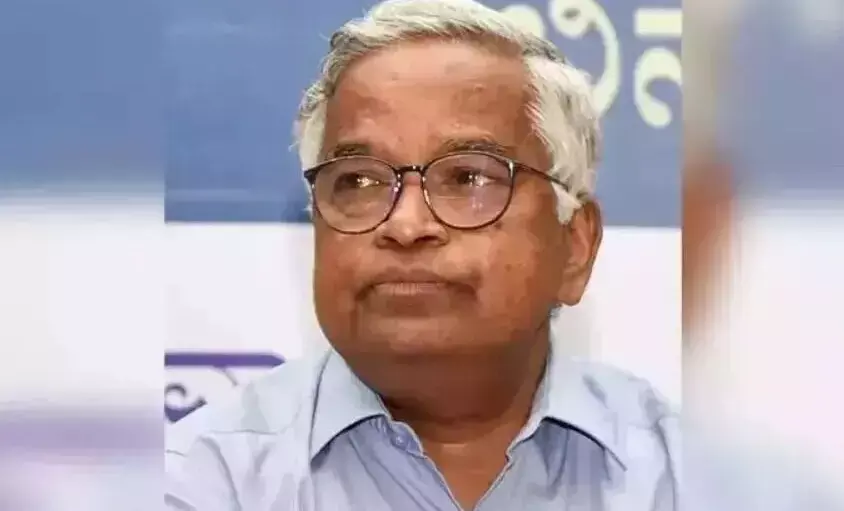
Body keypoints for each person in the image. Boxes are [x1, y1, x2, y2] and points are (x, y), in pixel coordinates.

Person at [166, 0, 680, 509]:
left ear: (574, 246)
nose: (406, 225)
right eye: (359, 181)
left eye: (468, 177)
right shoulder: (201, 481)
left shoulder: (681, 478)